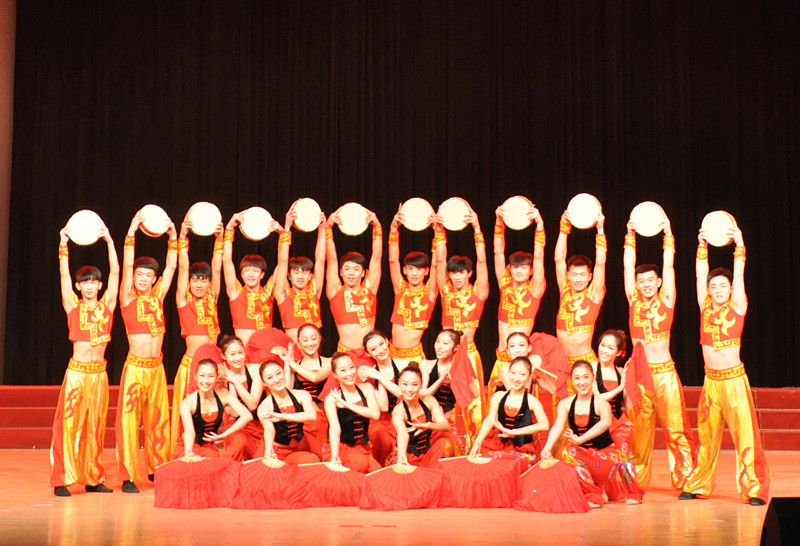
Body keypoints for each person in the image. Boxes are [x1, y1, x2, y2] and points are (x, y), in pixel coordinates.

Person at [679, 226, 770, 505]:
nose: (718, 290)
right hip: (711, 382)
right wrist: (702, 246)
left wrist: (739, 243)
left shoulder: (738, 306)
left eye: (723, 286)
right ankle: (697, 483)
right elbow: (699, 274)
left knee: (746, 436)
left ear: (730, 289)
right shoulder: (705, 307)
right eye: (713, 286)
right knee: (706, 436)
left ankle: (754, 489)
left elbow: (739, 275)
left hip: (734, 381)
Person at [623, 218, 695, 489]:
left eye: (650, 280)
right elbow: (627, 266)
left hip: (664, 373)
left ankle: (686, 480)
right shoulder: (633, 301)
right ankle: (636, 482)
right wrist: (630, 235)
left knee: (675, 428)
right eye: (641, 281)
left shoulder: (667, 301)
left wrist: (668, 235)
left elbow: (669, 266)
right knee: (640, 432)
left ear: (659, 282)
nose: (646, 285)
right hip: (640, 375)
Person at [51, 224, 119, 496]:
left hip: (99, 375)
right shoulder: (73, 306)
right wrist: (63, 245)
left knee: (96, 425)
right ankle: (62, 479)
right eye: (85, 282)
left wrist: (109, 241)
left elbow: (116, 273)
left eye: (94, 282)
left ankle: (93, 477)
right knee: (68, 424)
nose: (89, 286)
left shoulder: (108, 306)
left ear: (100, 285)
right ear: (78, 287)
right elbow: (63, 274)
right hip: (77, 374)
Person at [116, 208, 177, 493]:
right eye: (139, 275)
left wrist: (173, 236)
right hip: (136, 368)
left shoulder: (158, 297)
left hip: (157, 368)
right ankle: (129, 475)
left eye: (148, 275)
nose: (142, 279)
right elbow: (126, 265)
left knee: (158, 420)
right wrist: (131, 232)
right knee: (129, 422)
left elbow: (172, 267)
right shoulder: (127, 297)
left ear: (154, 279)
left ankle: (157, 469)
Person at [436, 205, 490, 449]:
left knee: (474, 408)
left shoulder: (478, 293)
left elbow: (482, 260)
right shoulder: (446, 292)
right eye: (453, 273)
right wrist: (439, 230)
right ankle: (448, 447)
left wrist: (477, 228)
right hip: (446, 357)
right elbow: (439, 260)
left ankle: (474, 448)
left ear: (469, 273)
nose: (457, 277)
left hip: (468, 355)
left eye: (461, 273)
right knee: (445, 405)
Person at [170, 217, 223, 452]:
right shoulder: (184, 302)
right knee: (188, 418)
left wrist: (220, 239)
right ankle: (183, 455)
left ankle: (207, 455)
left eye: (204, 280)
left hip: (213, 368)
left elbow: (217, 267)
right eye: (195, 280)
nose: (199, 284)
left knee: (211, 416)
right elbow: (183, 268)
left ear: (209, 283)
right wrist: (183, 237)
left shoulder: (213, 299)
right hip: (192, 367)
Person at [541, 361, 618, 507]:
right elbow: (558, 426)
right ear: (571, 380)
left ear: (593, 378)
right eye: (577, 378)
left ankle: (594, 496)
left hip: (605, 457)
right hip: (584, 457)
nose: (582, 382)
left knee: (568, 452)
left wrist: (581, 439)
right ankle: (596, 489)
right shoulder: (565, 403)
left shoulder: (602, 403)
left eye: (585, 377)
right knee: (566, 455)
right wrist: (547, 447)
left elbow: (605, 423)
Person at [488, 205, 546, 393]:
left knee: (522, 406)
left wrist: (539, 225)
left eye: (524, 267)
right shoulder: (504, 285)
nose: (519, 270)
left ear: (531, 271)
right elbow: (498, 252)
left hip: (521, 363)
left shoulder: (534, 290)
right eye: (515, 267)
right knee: (497, 406)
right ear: (510, 269)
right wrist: (499, 223)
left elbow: (539, 257)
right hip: (501, 359)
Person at [469, 357, 550, 473]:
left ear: (529, 377)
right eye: (513, 373)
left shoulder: (532, 401)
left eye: (522, 374)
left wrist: (513, 432)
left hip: (521, 447)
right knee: (486, 465)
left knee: (514, 465)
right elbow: (490, 419)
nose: (516, 378)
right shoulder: (498, 396)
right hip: (496, 444)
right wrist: (477, 442)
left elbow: (544, 425)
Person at [591, 330, 644, 503]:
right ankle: (596, 492)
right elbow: (597, 398)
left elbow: (627, 404)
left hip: (618, 422)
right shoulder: (591, 368)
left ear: (619, 352)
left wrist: (631, 383)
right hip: (598, 424)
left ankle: (634, 493)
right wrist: (620, 387)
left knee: (623, 453)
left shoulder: (621, 372)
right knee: (597, 456)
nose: (604, 350)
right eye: (602, 345)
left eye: (610, 347)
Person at [222, 211, 285, 349]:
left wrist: (282, 234)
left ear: (262, 275)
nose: (251, 274)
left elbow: (282, 264)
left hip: (267, 353)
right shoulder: (236, 293)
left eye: (255, 270)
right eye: (247, 270)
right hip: (243, 355)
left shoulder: (268, 293)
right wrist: (229, 229)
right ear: (241, 274)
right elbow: (227, 262)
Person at [324, 206, 382, 352]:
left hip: (370, 354)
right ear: (341, 272)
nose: (351, 273)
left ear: (363, 273)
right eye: (347, 269)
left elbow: (376, 257)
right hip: (345, 355)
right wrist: (328, 227)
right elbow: (331, 260)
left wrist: (377, 227)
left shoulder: (370, 289)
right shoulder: (335, 292)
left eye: (356, 269)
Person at [554, 210, 606, 367]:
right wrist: (564, 227)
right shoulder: (565, 290)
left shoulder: (593, 295)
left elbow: (600, 264)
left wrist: (600, 230)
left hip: (584, 362)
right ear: (568, 275)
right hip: (562, 362)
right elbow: (558, 259)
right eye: (574, 275)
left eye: (582, 275)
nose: (578, 279)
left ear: (590, 277)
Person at [387, 206, 438, 367]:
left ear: (426, 271)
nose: (414, 273)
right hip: (391, 355)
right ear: (404, 270)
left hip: (414, 358)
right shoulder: (400, 289)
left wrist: (438, 232)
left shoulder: (429, 293)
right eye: (410, 268)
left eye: (419, 269)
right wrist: (393, 229)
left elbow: (437, 264)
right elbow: (393, 260)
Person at [175, 359, 252, 458]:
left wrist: (225, 434)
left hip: (209, 449)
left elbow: (247, 416)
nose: (206, 381)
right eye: (202, 376)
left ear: (216, 377)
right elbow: (189, 430)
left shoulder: (224, 395)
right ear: (195, 376)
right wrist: (188, 452)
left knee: (216, 459)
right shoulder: (187, 403)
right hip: (188, 446)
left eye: (211, 376)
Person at [273, 203, 327, 343]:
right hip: (293, 350)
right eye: (296, 272)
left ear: (310, 276)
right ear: (289, 276)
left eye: (305, 272)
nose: (301, 276)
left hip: (314, 350)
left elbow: (320, 260)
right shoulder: (283, 295)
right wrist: (287, 227)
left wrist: (322, 229)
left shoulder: (314, 293)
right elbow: (283, 261)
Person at [323, 352, 381, 472]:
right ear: (335, 374)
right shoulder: (331, 399)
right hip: (341, 448)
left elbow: (375, 414)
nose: (349, 373)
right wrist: (335, 455)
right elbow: (334, 428)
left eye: (351, 367)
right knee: (360, 465)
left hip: (363, 447)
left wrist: (346, 405)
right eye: (343, 370)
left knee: (378, 475)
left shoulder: (367, 388)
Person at [254, 360, 320, 464]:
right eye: (270, 377)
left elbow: (311, 416)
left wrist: (282, 416)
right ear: (264, 383)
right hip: (277, 451)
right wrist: (268, 448)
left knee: (311, 462)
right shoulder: (264, 407)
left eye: (278, 373)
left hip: (299, 448)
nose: (277, 379)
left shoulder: (302, 395)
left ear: (284, 373)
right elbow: (269, 429)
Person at [392, 364, 456, 467]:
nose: (409, 389)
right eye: (405, 384)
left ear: (421, 384)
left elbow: (446, 426)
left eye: (414, 384)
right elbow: (402, 434)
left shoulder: (429, 400)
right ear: (399, 384)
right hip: (410, 455)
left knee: (445, 443)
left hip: (428, 451)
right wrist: (402, 452)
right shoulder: (399, 411)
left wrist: (429, 425)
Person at [359, 330, 405, 466]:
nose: (380, 350)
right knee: (376, 431)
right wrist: (377, 378)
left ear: (387, 341)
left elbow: (406, 395)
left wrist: (380, 376)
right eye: (374, 349)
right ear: (368, 353)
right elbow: (383, 407)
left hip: (407, 414)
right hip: (386, 419)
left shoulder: (405, 365)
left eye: (381, 344)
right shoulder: (370, 374)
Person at [217, 335, 264, 461]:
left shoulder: (256, 370)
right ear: (224, 356)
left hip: (256, 424)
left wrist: (235, 382)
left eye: (240, 353)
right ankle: (225, 470)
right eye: (232, 354)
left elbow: (252, 405)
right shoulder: (221, 377)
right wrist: (231, 383)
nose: (237, 358)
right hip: (235, 424)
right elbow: (233, 412)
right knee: (239, 443)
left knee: (259, 459)